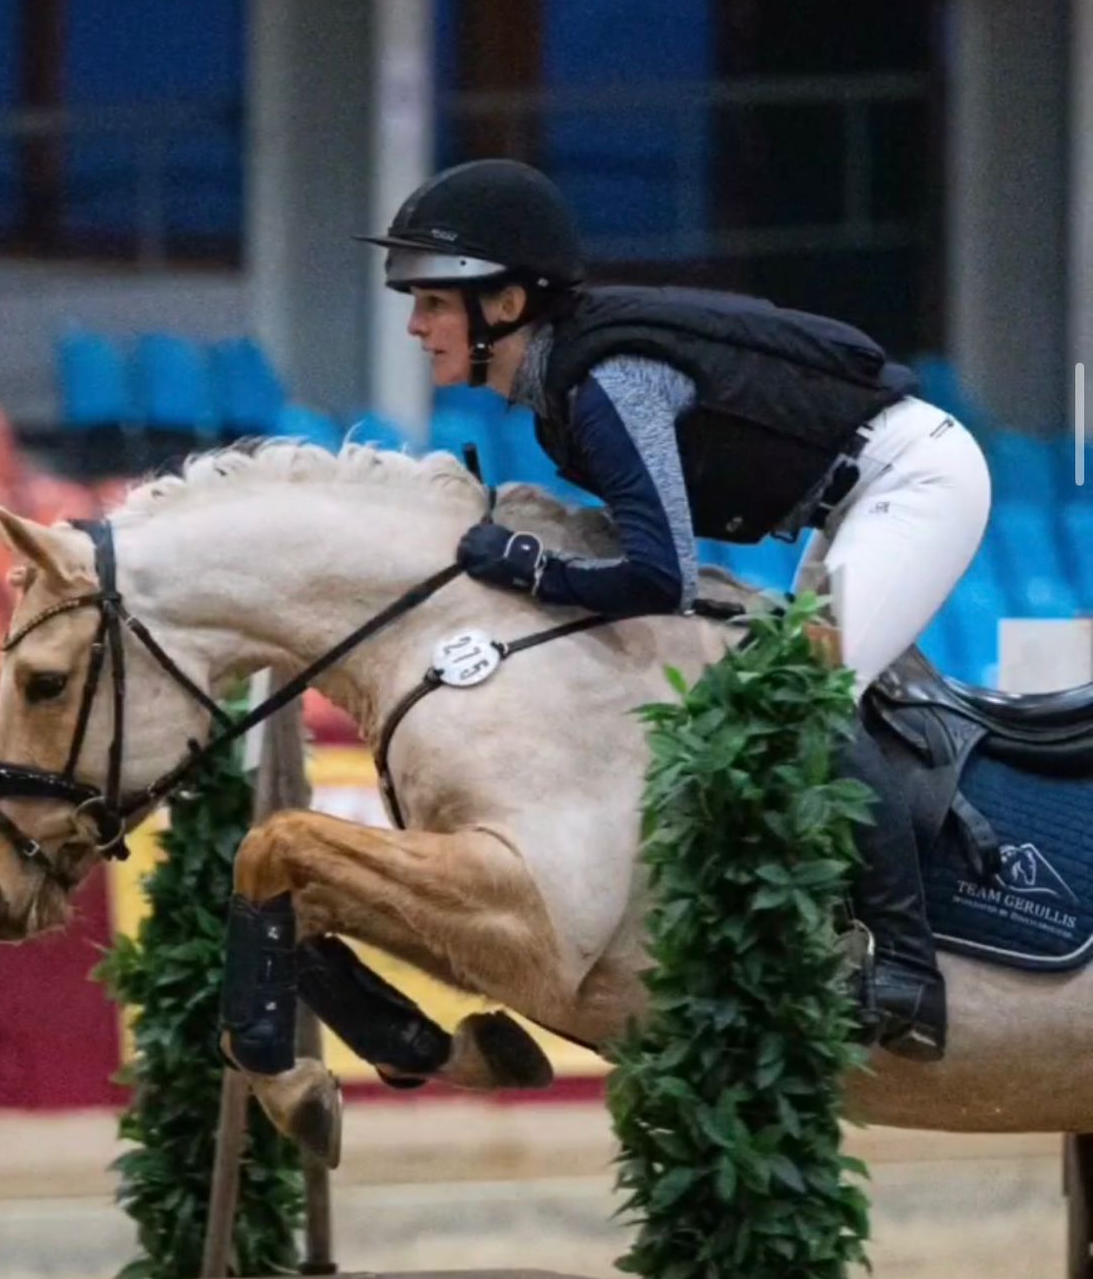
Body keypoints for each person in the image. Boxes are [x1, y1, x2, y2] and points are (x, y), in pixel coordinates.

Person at [361, 160, 993, 1060]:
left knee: (801, 691)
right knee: (769, 686)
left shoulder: (602, 385)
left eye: (432, 303)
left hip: (914, 483)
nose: (416, 326)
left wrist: (532, 567)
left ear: (505, 304)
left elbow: (663, 576)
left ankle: (907, 972)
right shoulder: (566, 386)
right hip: (855, 494)